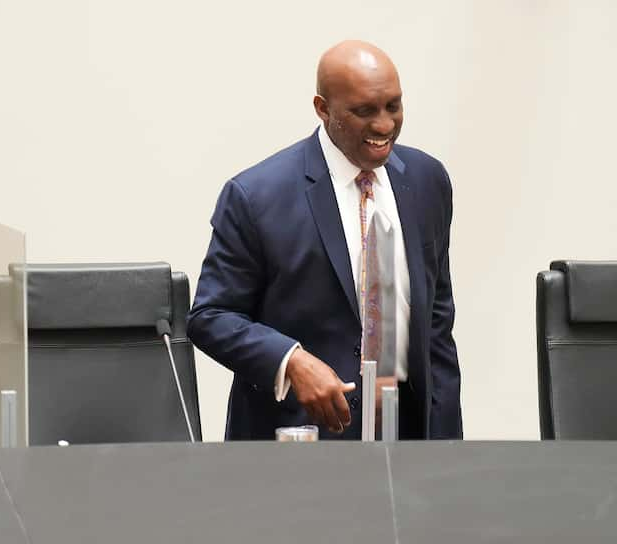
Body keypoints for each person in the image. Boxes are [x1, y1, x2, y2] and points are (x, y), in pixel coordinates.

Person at [187, 40, 461, 440]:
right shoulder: (256, 196)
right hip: (301, 444)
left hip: (410, 444)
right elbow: (211, 317)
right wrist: (290, 360)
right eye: (364, 111)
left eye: (393, 106)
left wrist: (448, 440)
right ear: (322, 108)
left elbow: (436, 321)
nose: (384, 125)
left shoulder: (426, 180)